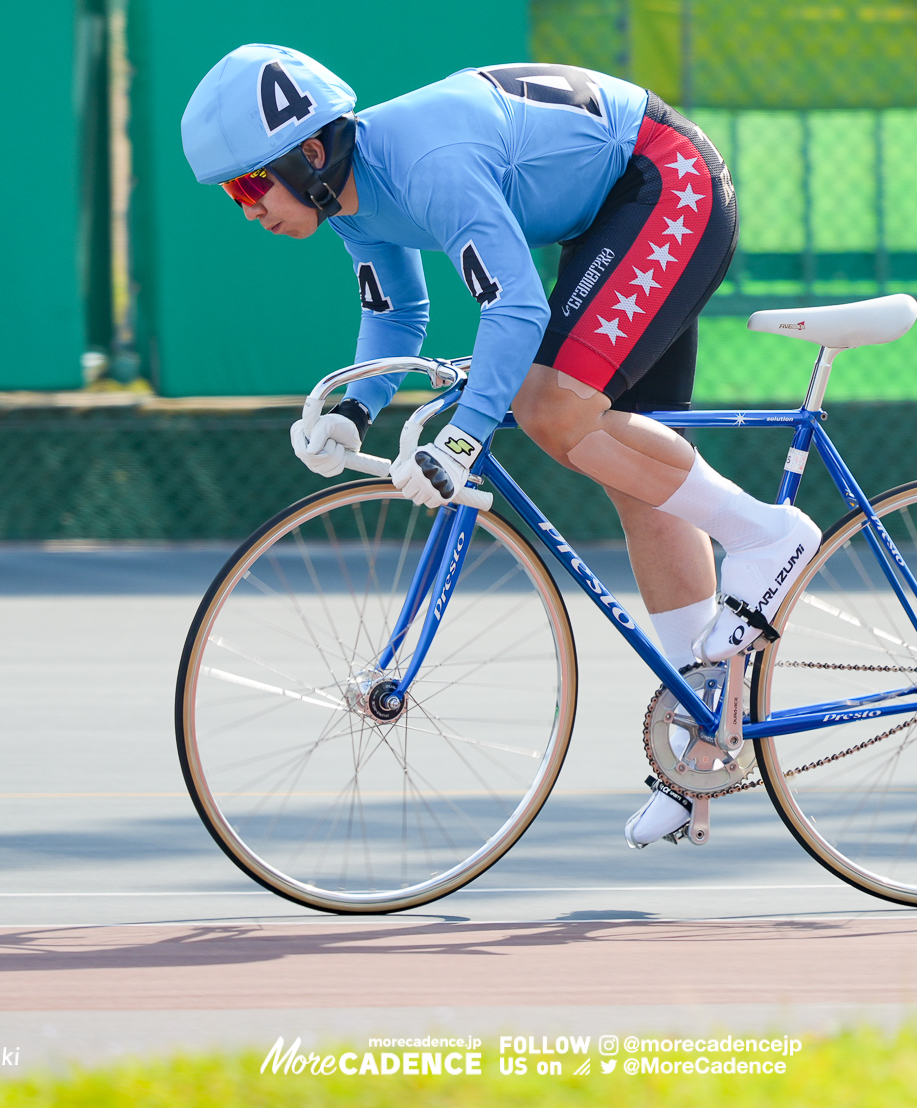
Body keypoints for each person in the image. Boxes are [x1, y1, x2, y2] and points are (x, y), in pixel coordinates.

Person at [181, 45, 819, 848]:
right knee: (635, 475)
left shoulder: (424, 163)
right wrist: (355, 412)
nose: (248, 210)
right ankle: (707, 742)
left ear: (310, 150)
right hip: (609, 215)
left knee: (551, 406)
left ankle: (767, 536)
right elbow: (398, 315)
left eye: (248, 185)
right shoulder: (349, 197)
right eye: (231, 196)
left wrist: (460, 436)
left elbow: (514, 308)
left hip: (666, 180)